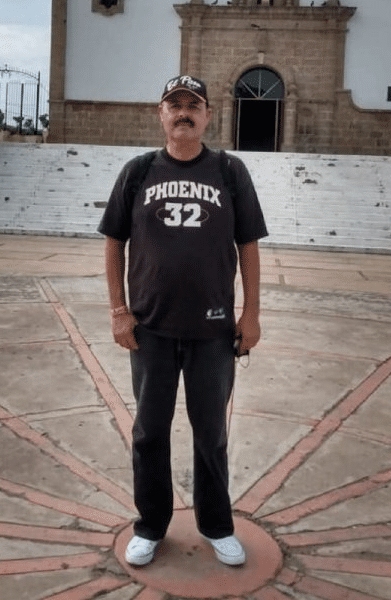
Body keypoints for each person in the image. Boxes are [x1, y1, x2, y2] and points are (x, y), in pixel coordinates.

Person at [98, 75, 268, 567]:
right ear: (161, 115)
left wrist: (250, 314)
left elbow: (249, 245)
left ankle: (216, 526)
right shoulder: (138, 171)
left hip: (214, 332)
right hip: (149, 329)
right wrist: (118, 310)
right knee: (150, 432)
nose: (184, 112)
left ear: (209, 116)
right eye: (175, 104)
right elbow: (113, 242)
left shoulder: (230, 172)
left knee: (210, 432)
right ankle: (150, 526)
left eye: (194, 105)